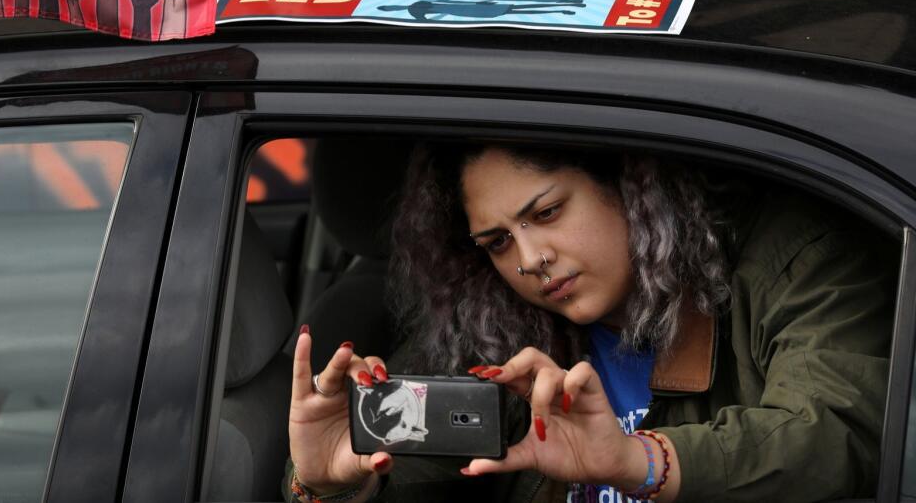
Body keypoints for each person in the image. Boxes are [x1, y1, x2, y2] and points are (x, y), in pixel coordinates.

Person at [286, 143, 895, 503]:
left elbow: (837, 435)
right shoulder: (490, 330)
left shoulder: (790, 260)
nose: (529, 260)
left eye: (547, 212)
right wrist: (335, 482)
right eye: (497, 242)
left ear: (633, 185)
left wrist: (639, 462)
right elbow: (425, 481)